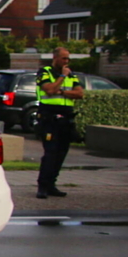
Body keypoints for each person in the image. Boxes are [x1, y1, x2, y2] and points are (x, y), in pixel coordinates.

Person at [36, 46, 84, 199]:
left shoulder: (72, 75)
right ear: (55, 58)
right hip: (49, 119)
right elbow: (49, 90)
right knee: (50, 153)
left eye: (68, 59)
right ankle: (42, 187)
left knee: (61, 154)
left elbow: (79, 94)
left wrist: (62, 92)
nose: (66, 61)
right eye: (63, 58)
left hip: (66, 120)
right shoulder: (45, 72)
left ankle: (52, 185)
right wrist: (61, 78)